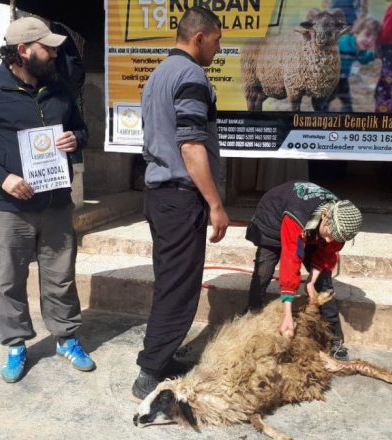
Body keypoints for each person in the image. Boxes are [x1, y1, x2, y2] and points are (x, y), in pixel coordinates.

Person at [0, 16, 95, 383]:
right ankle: (16, 345)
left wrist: (74, 140)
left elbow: (81, 129)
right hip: (9, 208)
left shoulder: (59, 88)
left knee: (61, 277)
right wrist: (2, 177)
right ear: (23, 51)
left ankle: (65, 338)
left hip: (55, 205)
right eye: (46, 47)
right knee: (8, 280)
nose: (53, 53)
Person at [131, 6, 230, 400]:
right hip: (178, 198)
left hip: (159, 196)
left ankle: (163, 356)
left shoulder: (159, 75)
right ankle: (149, 374)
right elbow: (191, 146)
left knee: (169, 282)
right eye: (218, 40)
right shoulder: (191, 75)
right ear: (200, 37)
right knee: (179, 289)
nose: (219, 49)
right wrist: (217, 205)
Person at [244, 181, 362, 360]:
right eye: (330, 233)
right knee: (264, 270)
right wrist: (287, 316)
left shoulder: (339, 225)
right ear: (324, 216)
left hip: (310, 229)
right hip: (273, 220)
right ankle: (250, 315)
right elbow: (290, 260)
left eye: (335, 237)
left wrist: (311, 281)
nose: (330, 240)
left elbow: (326, 254)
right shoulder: (297, 216)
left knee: (324, 282)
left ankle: (334, 338)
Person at [312, 17, 381, 113]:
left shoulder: (359, 49)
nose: (369, 41)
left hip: (343, 80)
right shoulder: (342, 43)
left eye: (373, 39)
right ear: (357, 32)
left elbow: (363, 59)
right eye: (367, 35)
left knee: (347, 103)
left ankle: (347, 118)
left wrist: (374, 55)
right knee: (324, 103)